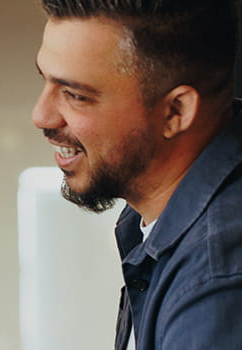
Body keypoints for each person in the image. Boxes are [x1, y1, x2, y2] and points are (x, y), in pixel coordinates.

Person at [30, 0, 242, 348]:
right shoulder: (150, 224)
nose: (41, 115)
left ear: (176, 111)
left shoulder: (216, 279)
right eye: (45, 81)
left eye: (75, 95)